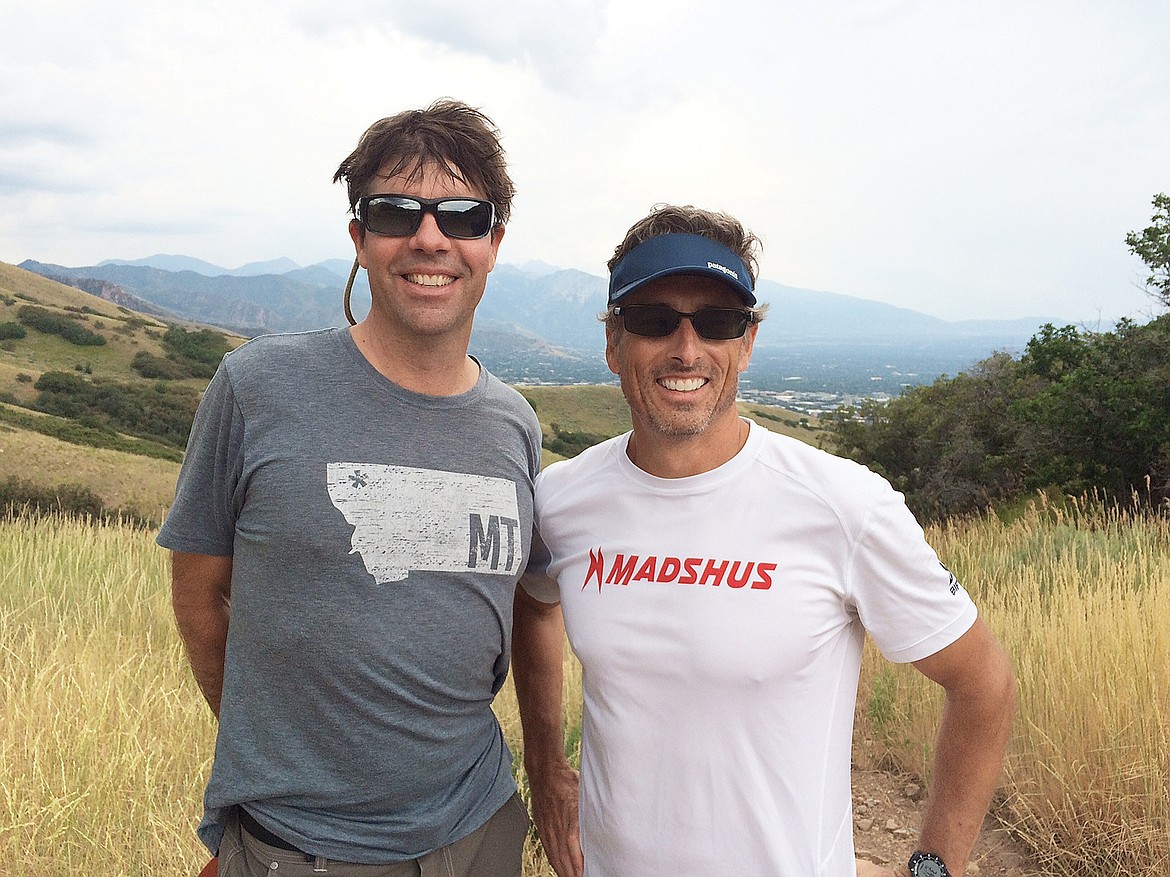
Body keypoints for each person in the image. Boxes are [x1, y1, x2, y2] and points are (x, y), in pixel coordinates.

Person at [511, 205, 1017, 877]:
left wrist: (932, 868)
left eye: (717, 322)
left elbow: (984, 683)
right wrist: (546, 765)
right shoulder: (564, 500)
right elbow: (533, 598)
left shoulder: (844, 504)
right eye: (654, 319)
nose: (686, 349)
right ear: (613, 341)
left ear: (747, 342)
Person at [158, 99, 541, 877]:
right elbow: (200, 592)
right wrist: (274, 789)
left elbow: (529, 605)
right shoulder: (257, 385)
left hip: (481, 827)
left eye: (462, 215)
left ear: (493, 244)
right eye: (396, 211)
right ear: (360, 239)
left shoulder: (515, 424)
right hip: (304, 849)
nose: (430, 236)